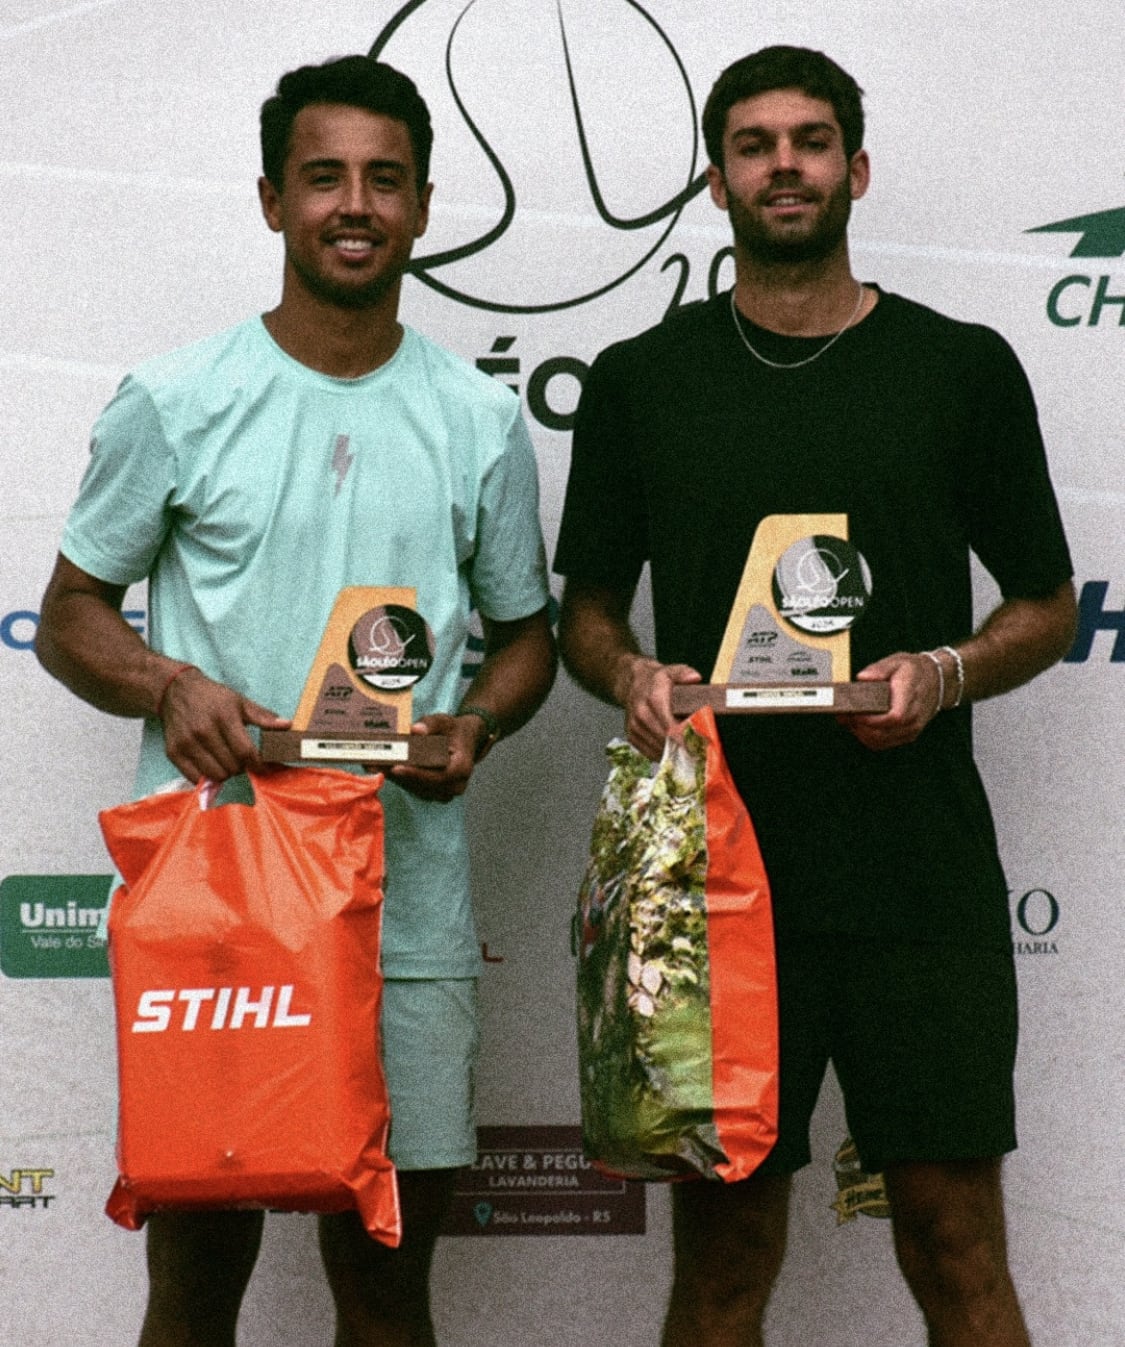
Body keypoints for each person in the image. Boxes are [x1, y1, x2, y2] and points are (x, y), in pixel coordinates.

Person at [554, 44, 1076, 1347]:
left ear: (854, 165)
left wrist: (944, 670)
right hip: (712, 878)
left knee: (954, 1240)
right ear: (716, 180)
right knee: (723, 1258)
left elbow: (1044, 603)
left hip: (918, 875)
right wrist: (630, 675)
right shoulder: (639, 382)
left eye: (806, 140)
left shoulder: (958, 369)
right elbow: (583, 615)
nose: (781, 164)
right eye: (751, 144)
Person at [36, 54, 555, 1347]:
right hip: (222, 910)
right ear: (271, 201)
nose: (354, 204)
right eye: (322, 177)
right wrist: (169, 683)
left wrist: (475, 725)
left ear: (425, 207)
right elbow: (68, 618)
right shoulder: (174, 399)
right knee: (194, 1287)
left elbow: (527, 641)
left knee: (386, 1294)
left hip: (406, 914)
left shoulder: (479, 420)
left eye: (384, 179)